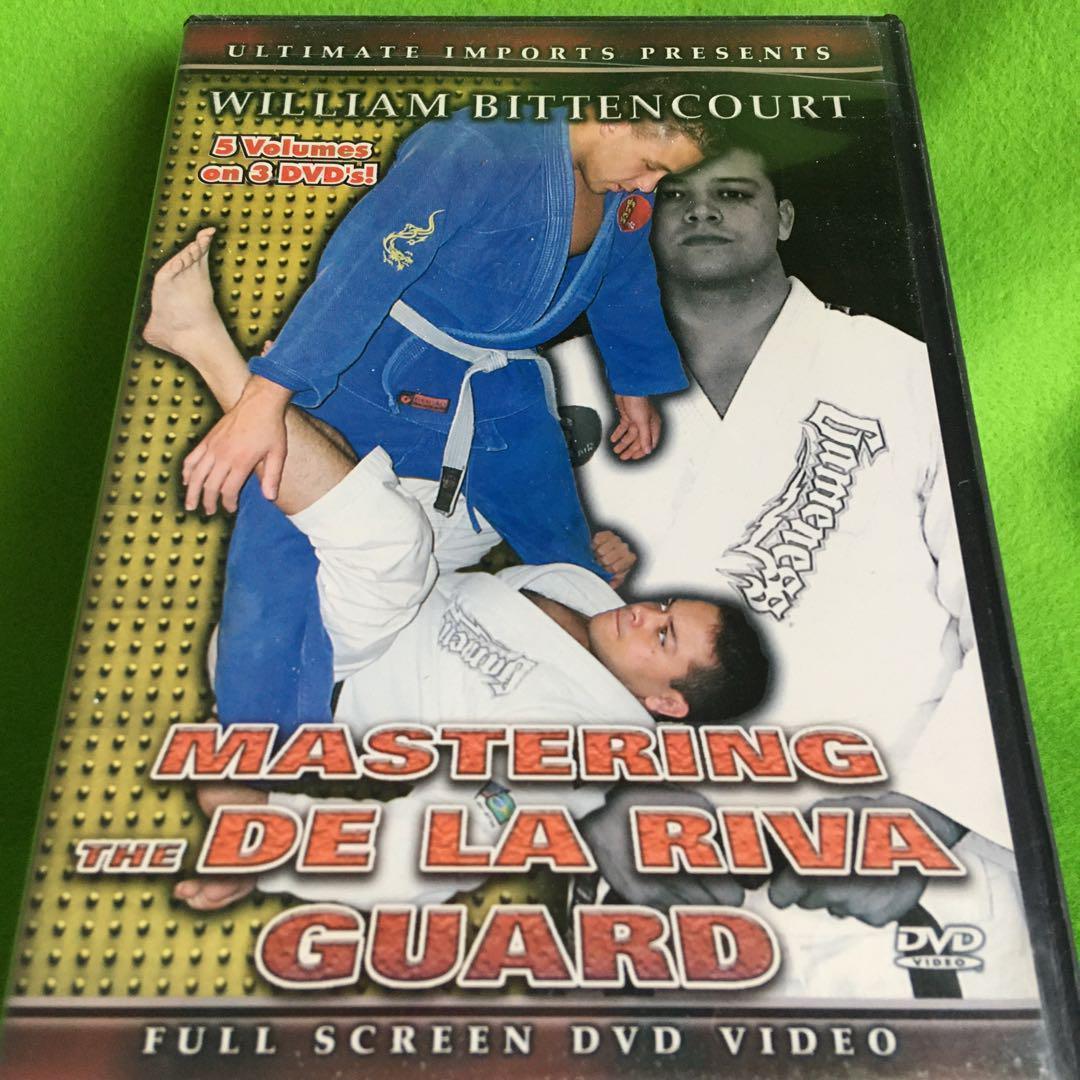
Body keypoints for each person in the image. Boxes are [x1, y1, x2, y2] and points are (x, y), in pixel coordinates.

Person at [144, 229, 768, 913]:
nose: (646, 615)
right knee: (474, 486)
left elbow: (436, 854)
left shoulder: (570, 751)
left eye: (664, 638)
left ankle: (212, 355)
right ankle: (319, 417)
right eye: (666, 608)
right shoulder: (588, 597)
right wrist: (590, 547)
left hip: (314, 667)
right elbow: (526, 556)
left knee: (393, 539)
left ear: (666, 704)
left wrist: (267, 837)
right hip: (395, 594)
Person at [550, 139, 1038, 998]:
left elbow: (1016, 600)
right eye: (673, 197)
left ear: (783, 219)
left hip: (912, 835)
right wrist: (591, 800)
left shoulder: (901, 368)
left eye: (735, 193)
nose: (702, 210)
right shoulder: (559, 386)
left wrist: (935, 808)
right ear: (633, 219)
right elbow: (469, 620)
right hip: (658, 865)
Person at [155, 97, 710, 737]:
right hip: (382, 363)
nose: (649, 187)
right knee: (287, 504)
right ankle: (254, 731)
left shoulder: (623, 191)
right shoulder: (478, 146)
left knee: (570, 550)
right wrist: (267, 394)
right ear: (611, 119)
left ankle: (586, 643)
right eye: (649, 164)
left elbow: (625, 278)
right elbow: (365, 264)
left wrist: (635, 385)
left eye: (662, 176)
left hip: (501, 388)